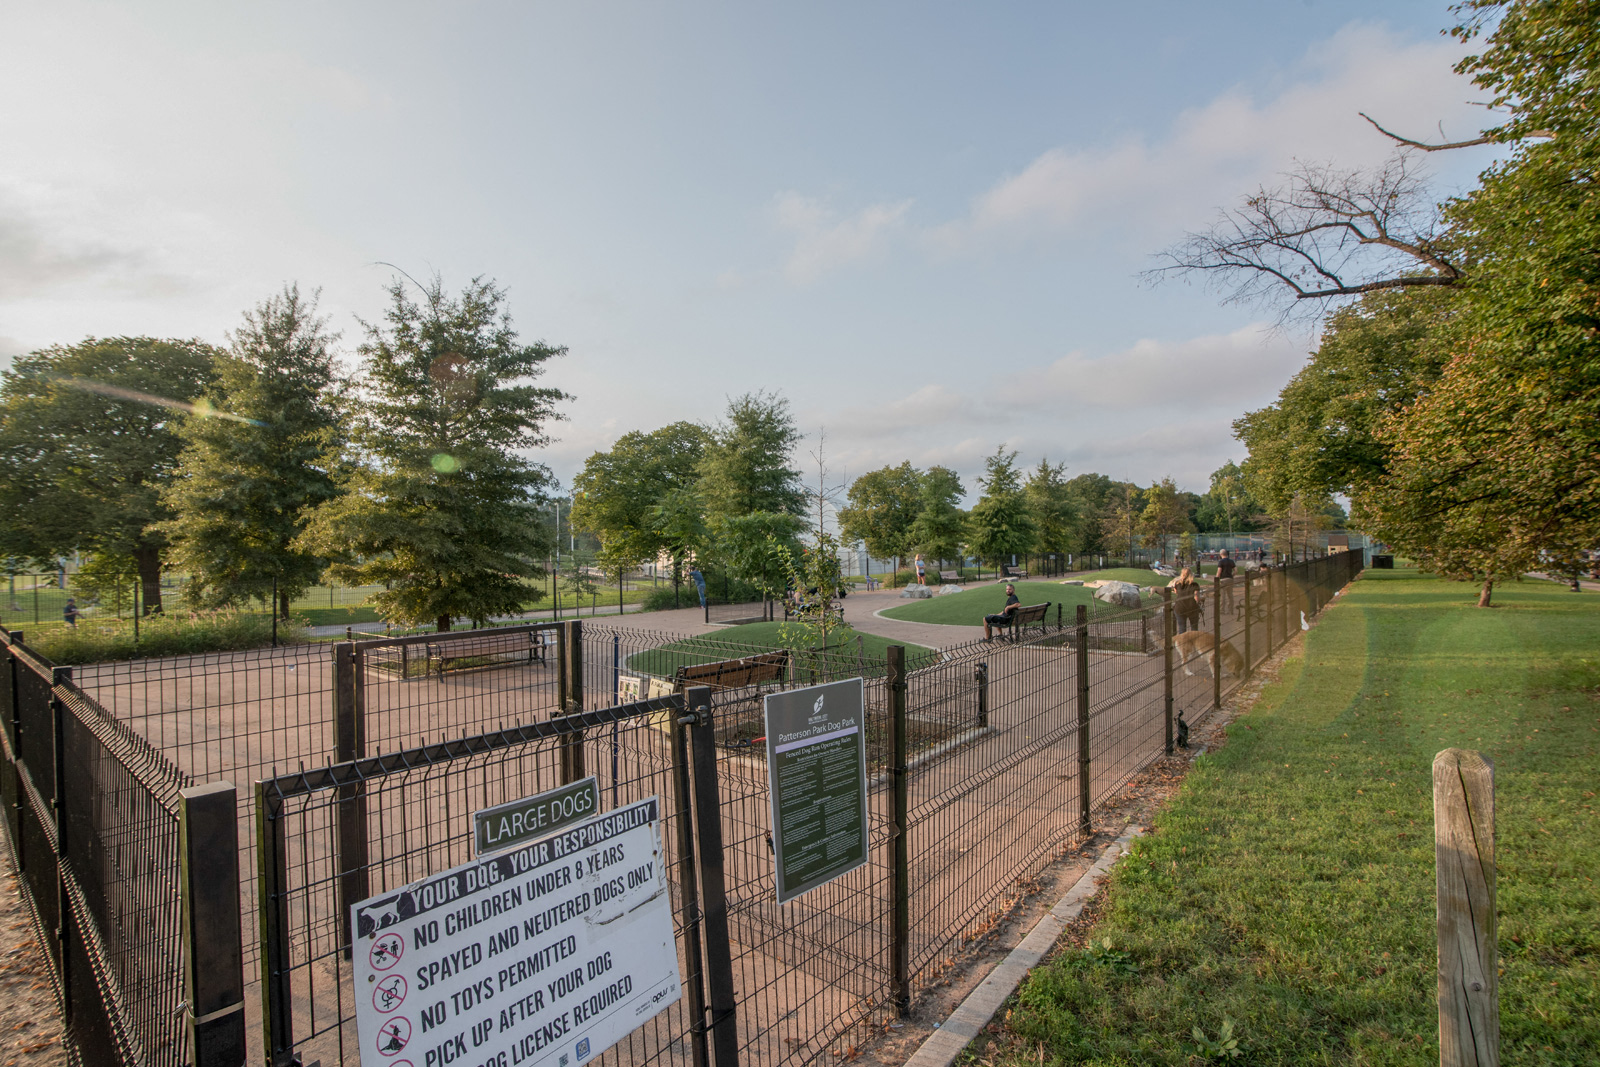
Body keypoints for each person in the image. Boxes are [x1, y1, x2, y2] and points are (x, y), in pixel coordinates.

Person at [1168, 568, 1202, 634]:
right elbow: (1196, 598)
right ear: (1191, 575)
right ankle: (1194, 642)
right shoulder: (1195, 585)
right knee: (1194, 629)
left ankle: (1182, 643)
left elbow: (1177, 592)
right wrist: (1201, 599)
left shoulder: (1177, 584)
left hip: (1180, 608)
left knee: (1182, 628)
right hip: (1192, 608)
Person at [1217, 549, 1236, 614]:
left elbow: (1219, 571)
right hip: (1230, 579)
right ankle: (1230, 609)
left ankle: (1222, 610)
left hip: (1223, 580)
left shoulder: (1221, 561)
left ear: (1220, 554)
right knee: (1230, 595)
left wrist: (1216, 578)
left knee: (1223, 595)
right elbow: (1236, 571)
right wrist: (1231, 575)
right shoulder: (1231, 561)